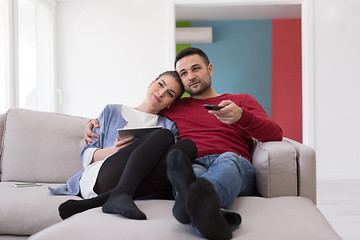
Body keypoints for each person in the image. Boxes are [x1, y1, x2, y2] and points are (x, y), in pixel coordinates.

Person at [85, 48, 283, 239]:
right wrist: (95, 123)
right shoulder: (173, 106)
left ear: (210, 69)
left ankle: (190, 204)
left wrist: (242, 116)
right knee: (188, 176)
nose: (191, 76)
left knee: (228, 160)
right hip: (191, 164)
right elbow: (142, 114)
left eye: (196, 69)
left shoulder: (240, 101)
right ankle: (204, 214)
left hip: (235, 164)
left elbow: (275, 134)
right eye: (184, 73)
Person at [49, 71, 198, 221]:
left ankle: (111, 197)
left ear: (170, 104)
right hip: (103, 177)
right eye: (160, 84)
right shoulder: (112, 111)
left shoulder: (169, 126)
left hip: (139, 183)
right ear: (151, 84)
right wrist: (113, 150)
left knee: (187, 147)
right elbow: (86, 154)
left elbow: (166, 168)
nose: (161, 93)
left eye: (170, 94)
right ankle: (118, 194)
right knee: (163, 136)